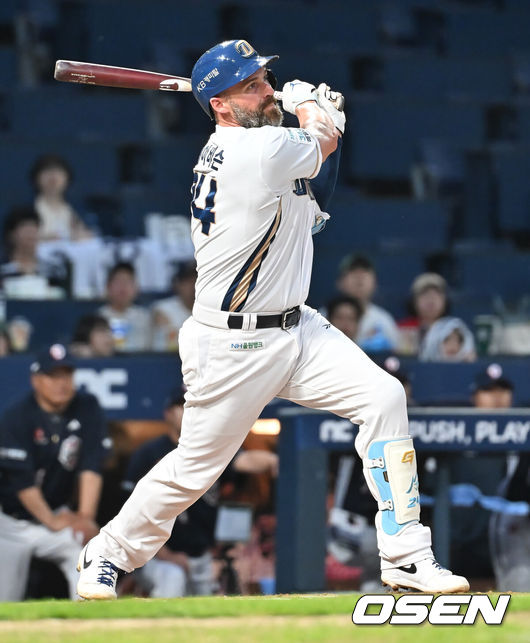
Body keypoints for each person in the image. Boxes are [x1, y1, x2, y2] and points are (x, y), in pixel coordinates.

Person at [77, 39, 468, 599]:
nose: (266, 90)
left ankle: (406, 556)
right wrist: (315, 109)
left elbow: (317, 188)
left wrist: (321, 123)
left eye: (264, 79)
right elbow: (320, 141)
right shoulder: (253, 151)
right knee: (194, 470)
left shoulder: (262, 147)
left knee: (384, 398)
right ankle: (107, 553)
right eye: (250, 86)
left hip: (296, 328)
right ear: (219, 105)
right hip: (231, 343)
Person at [121, 389, 279, 598]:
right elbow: (131, 514)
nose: (190, 411)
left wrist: (273, 460)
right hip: (155, 555)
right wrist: (167, 555)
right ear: (168, 413)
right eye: (183, 406)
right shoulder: (149, 453)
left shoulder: (210, 449)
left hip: (201, 554)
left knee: (208, 601)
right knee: (173, 579)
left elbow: (244, 460)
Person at [0, 343, 111, 601]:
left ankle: (94, 622)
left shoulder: (87, 406)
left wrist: (85, 517)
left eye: (67, 375)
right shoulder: (16, 416)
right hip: (10, 524)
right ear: (36, 380)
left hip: (58, 514)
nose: (62, 383)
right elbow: (22, 482)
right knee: (5, 602)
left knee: (89, 554)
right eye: (53, 376)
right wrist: (51, 520)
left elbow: (91, 465)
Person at [450, 364, 512, 581]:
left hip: (509, 541)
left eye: (503, 390)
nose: (497, 397)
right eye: (488, 391)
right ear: (474, 396)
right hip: (458, 541)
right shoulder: (453, 433)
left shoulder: (521, 434)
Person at [336, 254, 400, 352]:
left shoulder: (384, 320)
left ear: (375, 283)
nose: (359, 278)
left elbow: (396, 355)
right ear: (340, 282)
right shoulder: (322, 317)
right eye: (353, 271)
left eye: (365, 272)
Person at [0, 205, 68, 296]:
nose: (30, 233)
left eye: (34, 227)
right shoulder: (3, 269)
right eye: (24, 227)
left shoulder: (53, 269)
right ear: (11, 234)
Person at [31, 154, 92, 241]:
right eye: (47, 172)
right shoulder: (29, 209)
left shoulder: (77, 210)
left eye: (58, 172)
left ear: (67, 178)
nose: (53, 177)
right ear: (36, 178)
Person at [98, 262, 151, 353]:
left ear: (136, 288)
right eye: (118, 282)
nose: (123, 287)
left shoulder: (145, 317)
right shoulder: (99, 318)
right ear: (108, 287)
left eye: (128, 282)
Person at [150, 260, 197, 352]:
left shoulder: (212, 310)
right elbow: (170, 346)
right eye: (189, 281)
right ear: (177, 284)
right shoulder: (163, 309)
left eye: (197, 280)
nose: (194, 286)